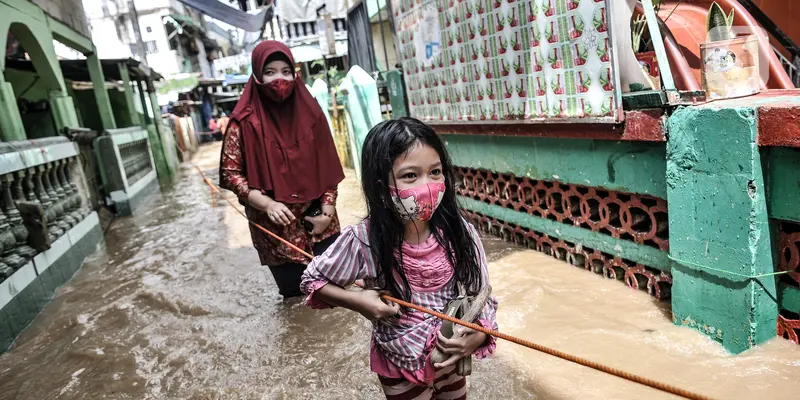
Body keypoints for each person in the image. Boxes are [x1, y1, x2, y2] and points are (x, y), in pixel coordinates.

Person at [300, 118, 498, 399]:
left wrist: (478, 334)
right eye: (410, 175)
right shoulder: (363, 240)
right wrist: (360, 303)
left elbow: (483, 294)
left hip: (451, 357)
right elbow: (312, 280)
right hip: (398, 363)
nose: (427, 185)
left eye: (435, 172)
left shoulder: (460, 232)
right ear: (381, 187)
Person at [219, 40, 345, 298]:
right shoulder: (242, 122)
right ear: (257, 76)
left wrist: (327, 211)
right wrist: (267, 205)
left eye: (286, 72)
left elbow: (329, 167)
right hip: (275, 231)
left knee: (340, 294)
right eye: (270, 72)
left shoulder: (313, 115)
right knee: (298, 300)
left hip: (321, 221)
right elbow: (230, 173)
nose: (280, 79)